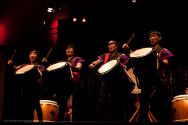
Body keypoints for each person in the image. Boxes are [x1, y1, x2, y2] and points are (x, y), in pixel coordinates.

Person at [123, 30, 174, 122]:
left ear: (159, 38)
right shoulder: (146, 51)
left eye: (154, 36)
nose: (151, 38)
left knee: (162, 103)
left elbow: (166, 63)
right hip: (145, 79)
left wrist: (158, 58)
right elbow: (133, 55)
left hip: (159, 79)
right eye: (150, 37)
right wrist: (127, 50)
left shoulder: (163, 50)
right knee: (144, 104)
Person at [89, 39, 134, 122]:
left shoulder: (121, 55)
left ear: (116, 46)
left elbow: (126, 64)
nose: (110, 45)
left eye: (112, 44)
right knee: (102, 100)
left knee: (117, 101)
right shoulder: (105, 55)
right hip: (105, 80)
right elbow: (98, 61)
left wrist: (124, 66)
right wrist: (93, 64)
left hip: (117, 81)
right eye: (109, 44)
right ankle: (101, 120)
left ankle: (118, 120)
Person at [42, 44, 85, 121]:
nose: (68, 50)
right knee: (62, 103)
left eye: (70, 48)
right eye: (67, 49)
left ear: (73, 50)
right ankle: (60, 120)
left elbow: (79, 68)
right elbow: (53, 67)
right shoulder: (62, 61)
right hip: (64, 85)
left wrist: (70, 65)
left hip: (74, 83)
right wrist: (47, 63)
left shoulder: (77, 58)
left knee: (75, 103)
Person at [7, 49, 45, 121]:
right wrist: (11, 64)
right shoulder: (25, 65)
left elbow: (43, 76)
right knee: (27, 108)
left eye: (34, 54)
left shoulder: (40, 66)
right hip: (26, 89)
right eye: (30, 54)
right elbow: (15, 69)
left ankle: (40, 121)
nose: (32, 55)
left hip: (35, 89)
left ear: (37, 57)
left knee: (36, 106)